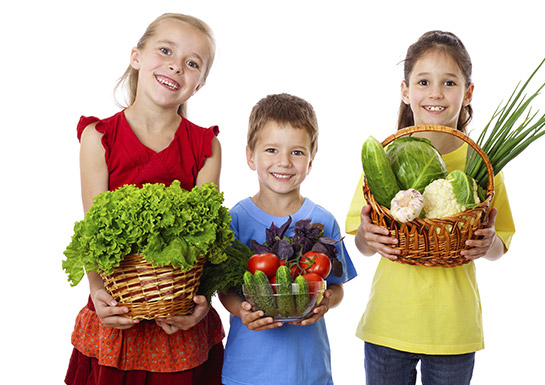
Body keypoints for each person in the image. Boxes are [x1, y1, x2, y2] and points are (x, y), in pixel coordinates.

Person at [346, 31, 516, 385]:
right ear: (406, 91)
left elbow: (500, 244)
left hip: (453, 330)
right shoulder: (386, 159)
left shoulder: (481, 167)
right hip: (389, 325)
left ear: (467, 93)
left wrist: (489, 245)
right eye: (423, 81)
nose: (435, 93)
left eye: (449, 82)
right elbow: (362, 244)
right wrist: (367, 236)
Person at [64, 13, 225, 385]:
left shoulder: (206, 147)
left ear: (198, 85)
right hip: (118, 312)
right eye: (165, 50)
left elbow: (207, 238)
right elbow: (95, 232)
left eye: (191, 63)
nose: (175, 66)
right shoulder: (98, 138)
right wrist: (98, 291)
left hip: (178, 321)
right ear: (136, 56)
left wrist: (200, 303)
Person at [218, 93, 357, 385]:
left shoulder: (324, 221)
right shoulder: (235, 219)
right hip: (248, 372)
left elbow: (337, 288)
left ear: (310, 161)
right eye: (271, 149)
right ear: (249, 156)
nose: (284, 162)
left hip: (309, 373)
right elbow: (225, 290)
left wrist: (326, 303)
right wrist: (242, 312)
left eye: (296, 152)